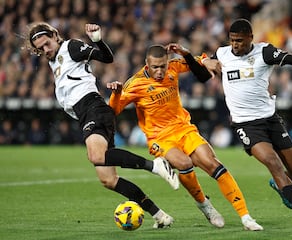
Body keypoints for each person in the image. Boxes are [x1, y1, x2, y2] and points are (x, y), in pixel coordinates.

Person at [201, 18, 292, 231]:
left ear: (251, 38)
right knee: (274, 164)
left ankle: (281, 186)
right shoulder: (222, 53)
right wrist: (204, 61)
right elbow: (202, 62)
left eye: (240, 41)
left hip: (270, 120)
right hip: (246, 125)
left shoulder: (264, 53)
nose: (235, 45)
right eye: (233, 40)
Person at [26, 22, 179, 228]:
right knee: (109, 179)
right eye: (41, 48)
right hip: (86, 114)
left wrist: (97, 40)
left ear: (55, 35)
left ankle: (155, 165)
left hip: (93, 108)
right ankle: (160, 215)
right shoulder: (55, 60)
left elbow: (107, 58)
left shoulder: (70, 47)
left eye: (47, 44)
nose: (46, 50)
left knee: (96, 156)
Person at [107, 43, 263, 231]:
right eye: (155, 67)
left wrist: (205, 60)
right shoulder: (135, 83)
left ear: (167, 63)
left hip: (184, 129)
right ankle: (204, 204)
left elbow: (195, 61)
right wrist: (116, 94)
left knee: (213, 163)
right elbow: (113, 110)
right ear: (147, 65)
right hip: (160, 138)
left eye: (162, 66)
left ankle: (246, 217)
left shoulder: (173, 67)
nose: (159, 71)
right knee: (184, 163)